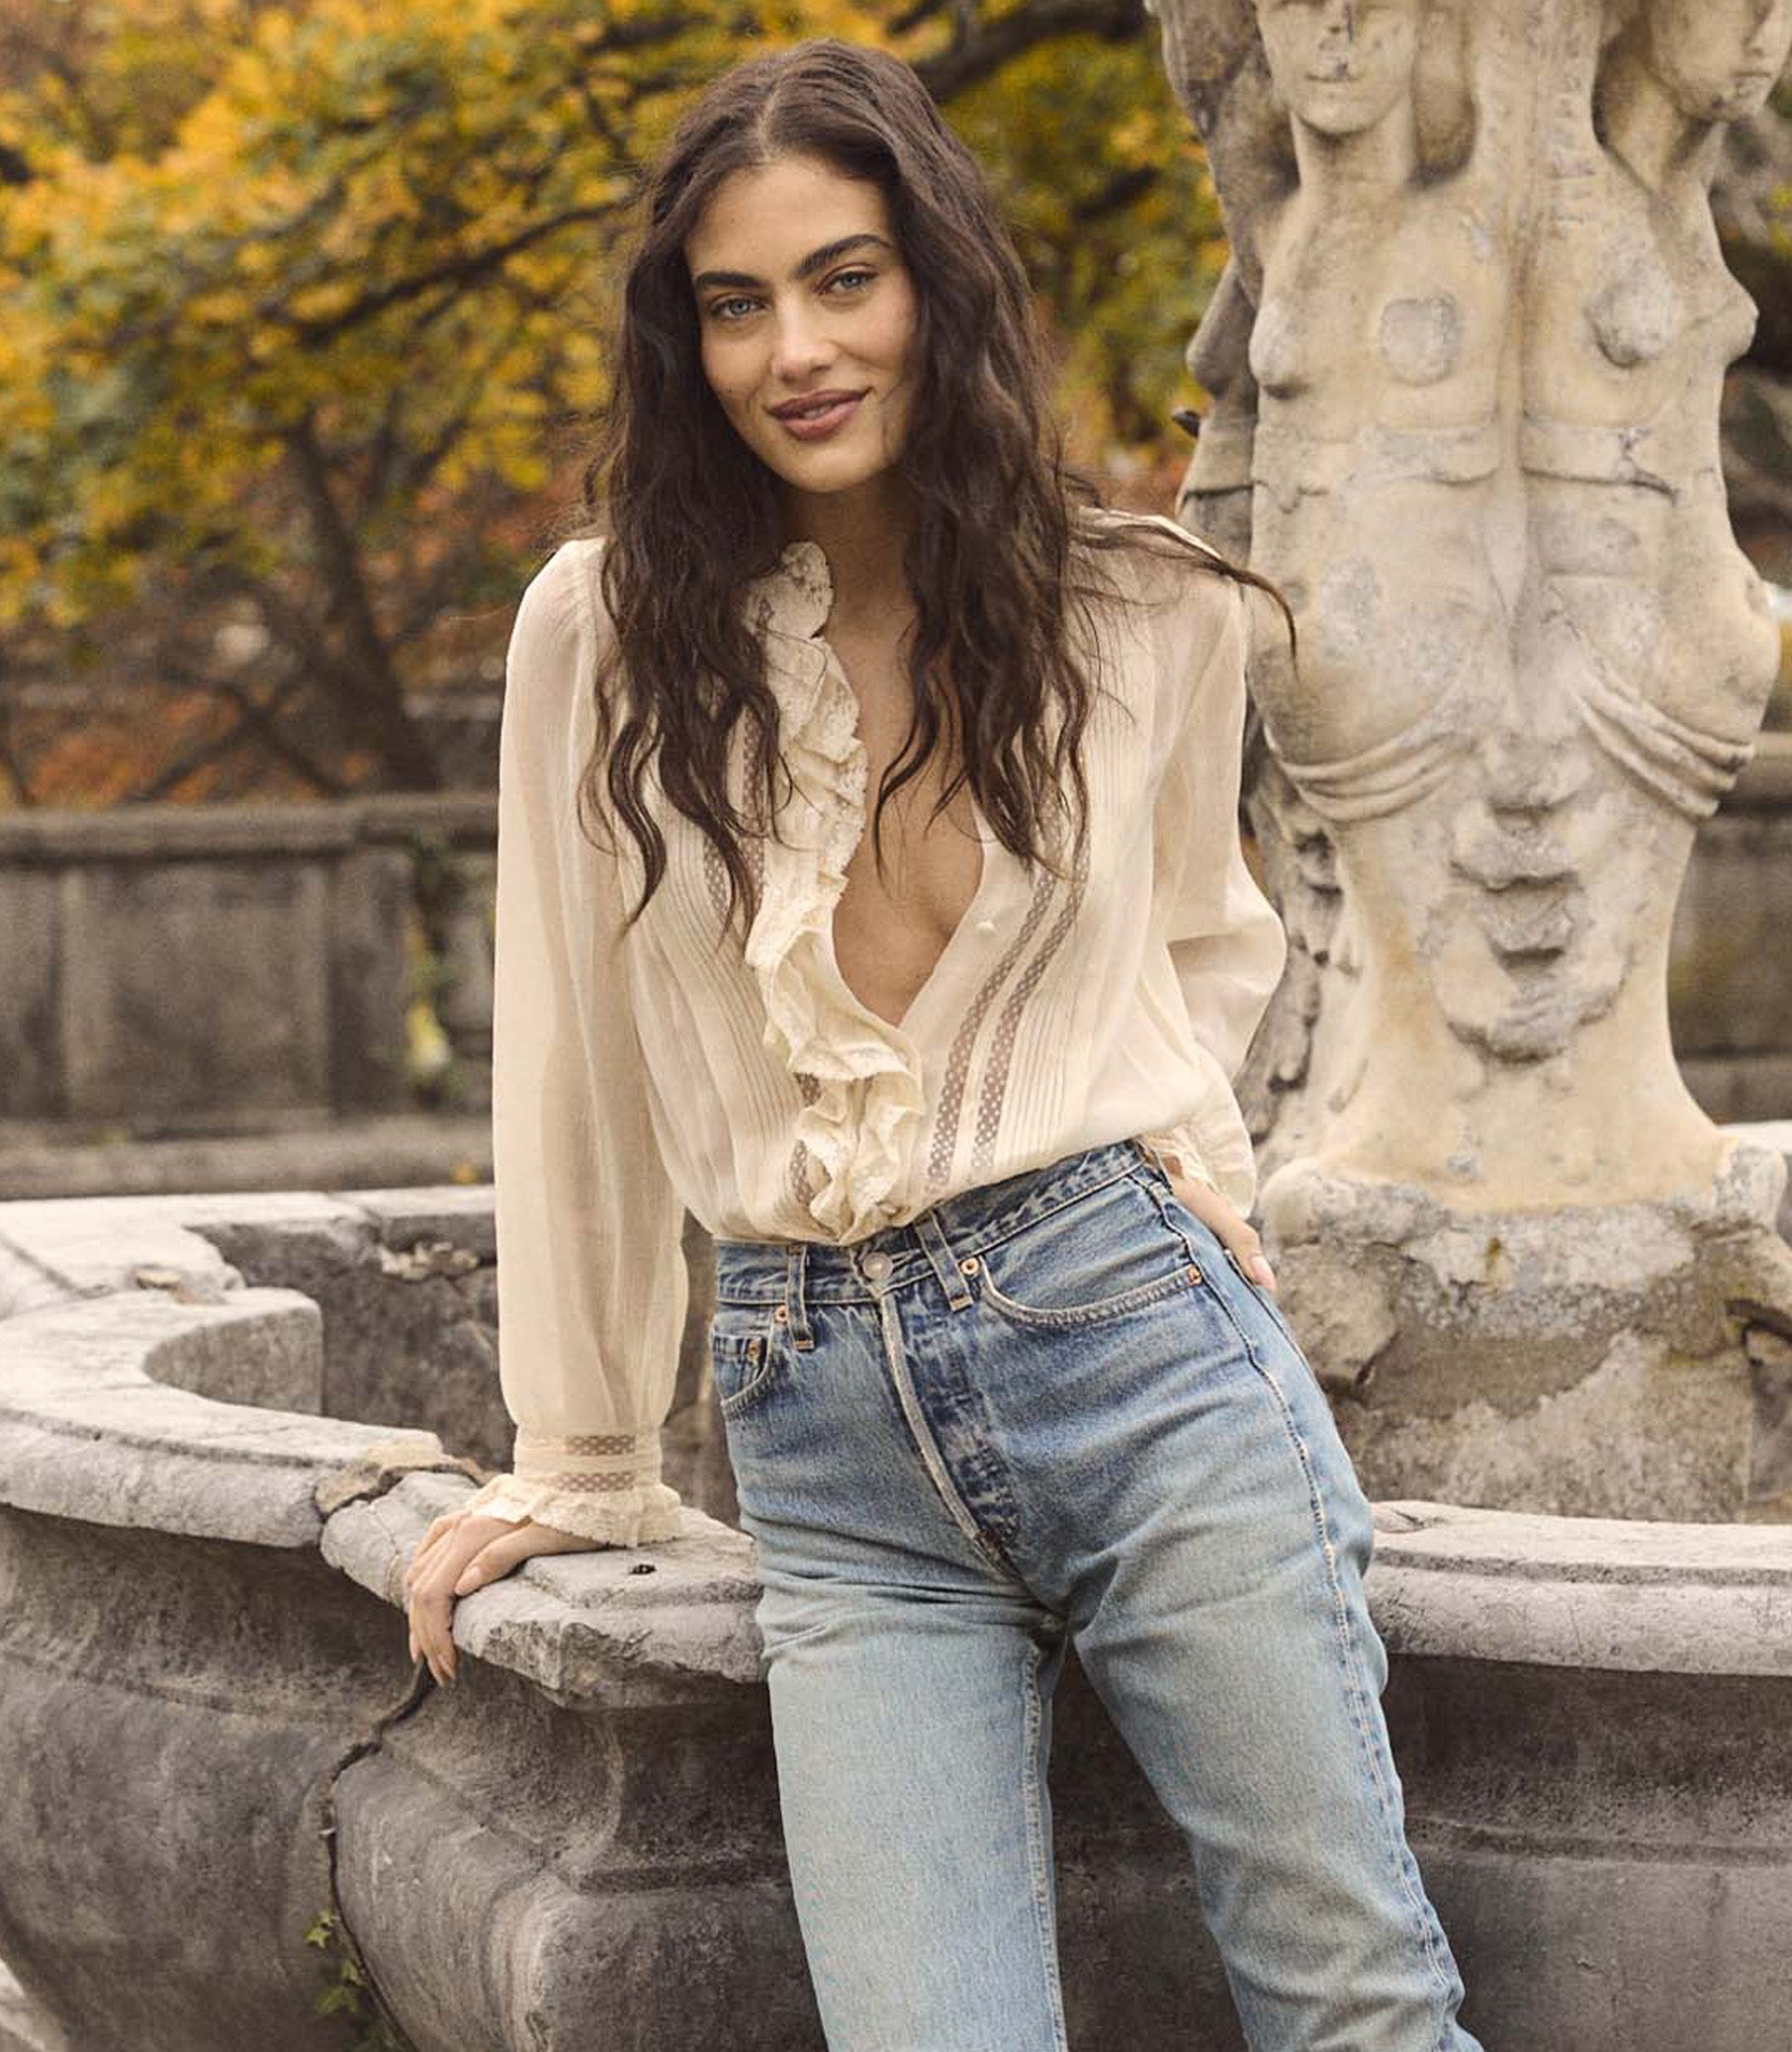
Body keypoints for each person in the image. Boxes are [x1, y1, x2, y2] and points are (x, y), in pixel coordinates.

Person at [403, 36, 1482, 2052]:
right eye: (736, 303)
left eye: (844, 277)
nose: (794, 348)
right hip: (821, 1431)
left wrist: (1199, 1183)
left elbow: (1197, 945)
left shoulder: (1143, 614)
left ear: (936, 288)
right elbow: (568, 1063)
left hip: (1137, 1347)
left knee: (1355, 2010)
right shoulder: (606, 636)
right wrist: (577, 1453)